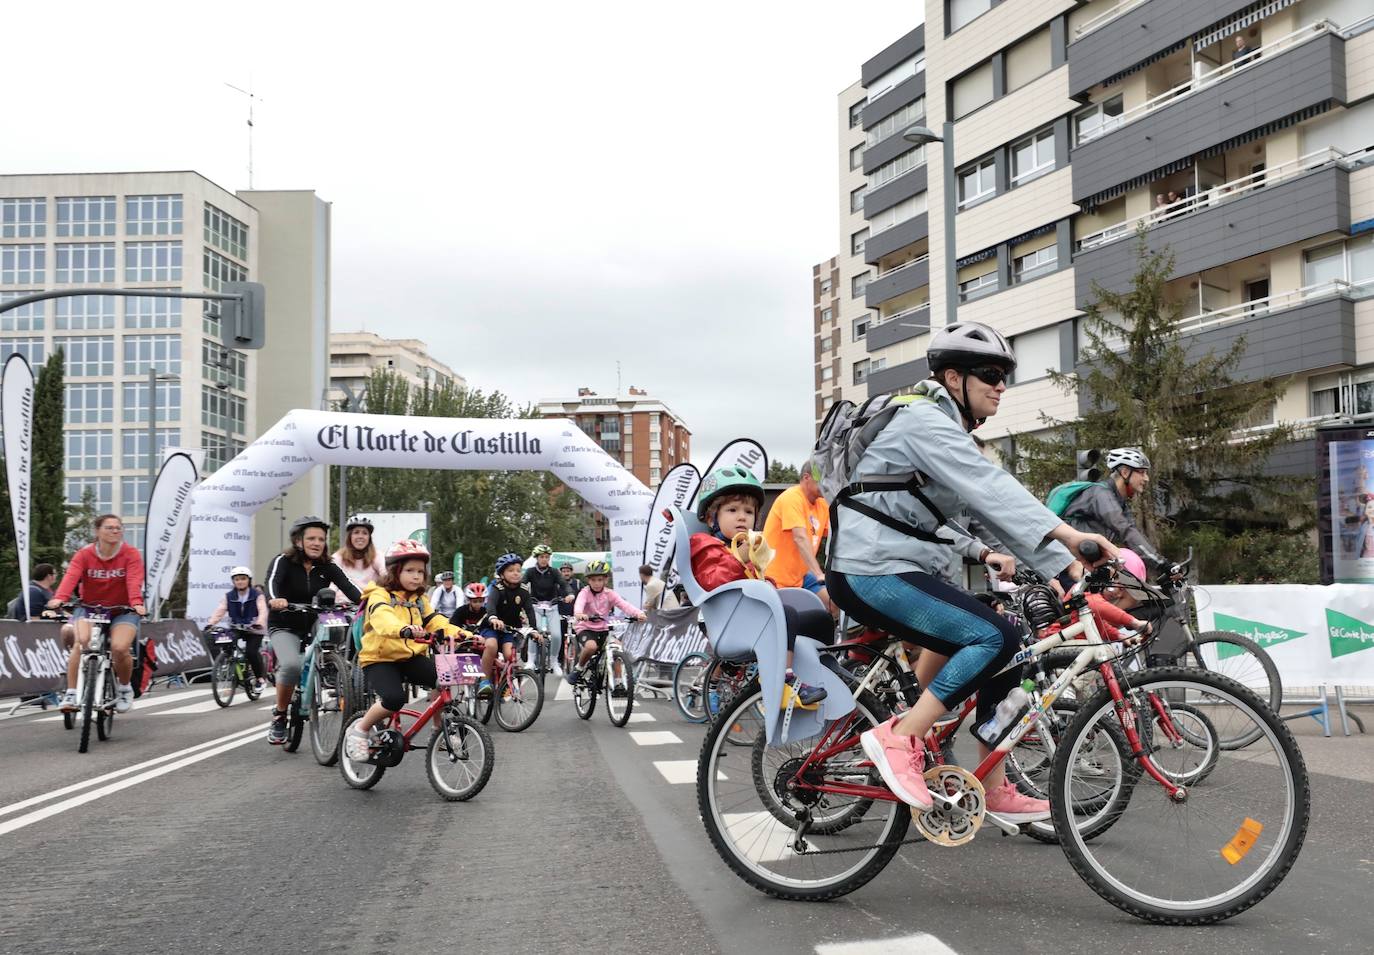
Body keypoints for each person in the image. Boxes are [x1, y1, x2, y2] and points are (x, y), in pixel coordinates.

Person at [820, 321, 1115, 820]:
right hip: (869, 570)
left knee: (1012, 643)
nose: (1000, 384)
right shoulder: (923, 420)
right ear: (953, 378)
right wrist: (1069, 540)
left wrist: (1045, 566)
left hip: (902, 567)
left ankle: (991, 785)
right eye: (990, 373)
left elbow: (927, 516)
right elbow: (990, 488)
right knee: (992, 637)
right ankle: (903, 736)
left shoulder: (943, 429)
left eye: (1005, 375)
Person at [690, 466, 832, 707]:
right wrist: (738, 558)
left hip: (751, 615)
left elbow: (760, 580)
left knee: (821, 618)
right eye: (732, 510)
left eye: (748, 511)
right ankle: (784, 682)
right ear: (712, 517)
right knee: (785, 615)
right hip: (728, 620)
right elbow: (711, 581)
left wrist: (767, 582)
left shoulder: (749, 546)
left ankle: (826, 670)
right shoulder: (705, 544)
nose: (742, 517)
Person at [343, 540, 470, 761]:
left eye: (421, 571)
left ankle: (439, 731)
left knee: (446, 681)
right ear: (395, 571)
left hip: (410, 656)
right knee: (394, 699)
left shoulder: (420, 599)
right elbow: (383, 618)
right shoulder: (379, 594)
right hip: (379, 658)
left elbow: (436, 621)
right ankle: (359, 731)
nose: (417, 576)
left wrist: (465, 635)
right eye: (410, 570)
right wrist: (403, 629)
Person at [264, 516, 362, 745]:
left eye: (321, 539)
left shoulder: (326, 566)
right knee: (290, 666)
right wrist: (275, 599)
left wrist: (371, 602)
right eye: (311, 538)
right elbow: (271, 583)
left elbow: (348, 587)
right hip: (284, 623)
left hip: (314, 621)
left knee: (338, 622)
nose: (317, 543)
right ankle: (280, 715)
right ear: (299, 541)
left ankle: (329, 664)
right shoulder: (283, 561)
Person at [50, 515, 147, 715]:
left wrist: (136, 603)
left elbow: (134, 580)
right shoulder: (84, 554)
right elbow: (71, 577)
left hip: (122, 609)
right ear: (97, 531)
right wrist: (59, 598)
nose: (114, 531)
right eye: (109, 527)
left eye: (118, 528)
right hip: (89, 608)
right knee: (81, 642)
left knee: (120, 648)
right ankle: (70, 692)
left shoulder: (131, 554)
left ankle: (124, 688)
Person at [1061, 447, 1168, 574]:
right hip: (1066, 568)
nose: (1146, 479)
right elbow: (1125, 530)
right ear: (1125, 472)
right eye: (1142, 472)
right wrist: (1162, 564)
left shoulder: (1119, 502)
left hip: (1085, 566)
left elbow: (1133, 535)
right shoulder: (1100, 494)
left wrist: (1162, 564)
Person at [762, 458, 833, 612]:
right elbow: (800, 538)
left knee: (834, 603)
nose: (827, 484)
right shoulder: (792, 498)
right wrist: (819, 573)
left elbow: (836, 537)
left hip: (800, 578)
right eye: (822, 479)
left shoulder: (822, 504)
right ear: (806, 477)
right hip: (775, 581)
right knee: (791, 621)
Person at [569, 560, 646, 693]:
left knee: (617, 647)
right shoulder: (584, 592)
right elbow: (579, 604)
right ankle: (579, 668)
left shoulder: (610, 594)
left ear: (606, 579)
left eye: (600, 579)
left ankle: (618, 683)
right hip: (586, 627)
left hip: (604, 629)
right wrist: (579, 614)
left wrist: (638, 613)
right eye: (593, 580)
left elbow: (624, 605)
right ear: (588, 580)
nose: (597, 583)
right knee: (591, 647)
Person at [480, 553, 537, 698]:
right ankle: (484, 681)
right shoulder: (497, 588)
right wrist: (493, 618)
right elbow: (490, 604)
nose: (516, 573)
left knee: (509, 655)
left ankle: (507, 682)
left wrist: (534, 630)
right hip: (491, 627)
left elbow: (529, 610)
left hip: (509, 630)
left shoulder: (524, 590)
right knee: (491, 646)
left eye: (518, 570)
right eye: (511, 570)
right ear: (502, 574)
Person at [205, 566, 269, 688]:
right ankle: (229, 662)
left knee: (251, 652)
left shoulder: (257, 595)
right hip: (237, 627)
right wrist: (211, 623)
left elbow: (263, 610)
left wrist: (260, 622)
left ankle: (260, 678)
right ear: (233, 581)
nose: (240, 581)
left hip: (255, 628)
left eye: (243, 578)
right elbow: (220, 610)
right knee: (227, 643)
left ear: (249, 580)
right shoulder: (229, 596)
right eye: (237, 579)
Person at [522, 544, 565, 656]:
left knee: (556, 635)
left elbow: (563, 584)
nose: (544, 559)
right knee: (536, 631)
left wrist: (570, 594)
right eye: (542, 557)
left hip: (552, 607)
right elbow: (522, 584)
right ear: (537, 558)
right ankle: (531, 660)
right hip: (536, 607)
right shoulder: (530, 571)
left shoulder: (554, 572)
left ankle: (554, 661)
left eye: (546, 557)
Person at [331, 515, 385, 591]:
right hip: (342, 601)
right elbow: (333, 583)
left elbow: (385, 574)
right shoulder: (338, 557)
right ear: (350, 536)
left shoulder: (377, 556)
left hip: (368, 600)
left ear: (369, 537)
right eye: (356, 532)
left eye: (364, 533)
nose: (360, 536)